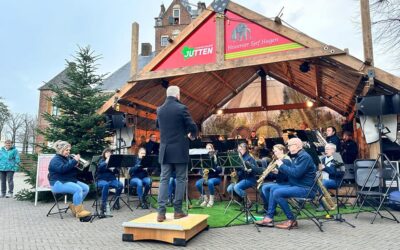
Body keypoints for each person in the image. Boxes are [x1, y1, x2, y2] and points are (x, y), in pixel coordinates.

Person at [156, 85, 198, 222]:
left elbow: (158, 125)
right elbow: (192, 125)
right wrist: (192, 134)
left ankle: (161, 213)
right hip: (179, 150)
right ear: (178, 95)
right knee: (181, 179)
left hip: (165, 150)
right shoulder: (182, 108)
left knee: (163, 180)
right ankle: (177, 211)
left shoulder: (160, 110)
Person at [256, 138, 316, 229]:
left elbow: (296, 173)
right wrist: (280, 171)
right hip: (297, 185)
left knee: (277, 193)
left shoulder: (304, 157)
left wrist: (282, 165)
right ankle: (269, 218)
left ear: (296, 146)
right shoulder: (298, 156)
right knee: (273, 189)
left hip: (305, 189)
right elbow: (293, 172)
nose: (288, 148)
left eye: (289, 146)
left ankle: (291, 220)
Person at [48, 140, 91, 218]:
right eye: (66, 150)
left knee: (86, 188)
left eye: (69, 150)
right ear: (61, 150)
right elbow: (62, 169)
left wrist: (76, 165)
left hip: (67, 180)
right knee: (78, 189)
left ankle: (74, 206)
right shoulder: (55, 160)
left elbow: (70, 171)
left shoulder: (66, 158)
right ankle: (79, 212)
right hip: (58, 183)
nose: (68, 152)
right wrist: (73, 161)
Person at [259, 144, 290, 213]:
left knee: (265, 187)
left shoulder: (286, 160)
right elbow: (281, 174)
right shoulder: (280, 160)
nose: (274, 153)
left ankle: (272, 209)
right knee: (262, 187)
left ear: (281, 151)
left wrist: (276, 173)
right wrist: (269, 172)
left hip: (286, 183)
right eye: (274, 151)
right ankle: (267, 207)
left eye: (275, 151)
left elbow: (286, 176)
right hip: (280, 181)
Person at [317, 143, 344, 211]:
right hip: (324, 179)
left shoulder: (338, 159)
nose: (325, 151)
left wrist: (324, 168)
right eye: (325, 149)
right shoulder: (322, 159)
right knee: (315, 181)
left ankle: (322, 205)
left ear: (333, 150)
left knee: (323, 183)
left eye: (327, 149)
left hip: (335, 180)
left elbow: (338, 173)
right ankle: (301, 202)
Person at [96, 148, 124, 215]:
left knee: (120, 185)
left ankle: (116, 202)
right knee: (106, 185)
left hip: (111, 180)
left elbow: (117, 172)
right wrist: (105, 162)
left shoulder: (113, 162)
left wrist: (113, 169)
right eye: (107, 153)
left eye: (109, 153)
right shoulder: (101, 161)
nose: (108, 154)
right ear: (104, 154)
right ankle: (103, 204)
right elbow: (98, 169)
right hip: (101, 180)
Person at [195, 143, 222, 207]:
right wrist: (203, 172)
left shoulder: (216, 158)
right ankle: (205, 199)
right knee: (198, 183)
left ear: (213, 149)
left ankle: (211, 200)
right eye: (207, 149)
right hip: (206, 177)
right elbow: (200, 170)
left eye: (209, 148)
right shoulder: (203, 158)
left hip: (216, 178)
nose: (208, 150)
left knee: (210, 182)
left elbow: (220, 170)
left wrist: (211, 170)